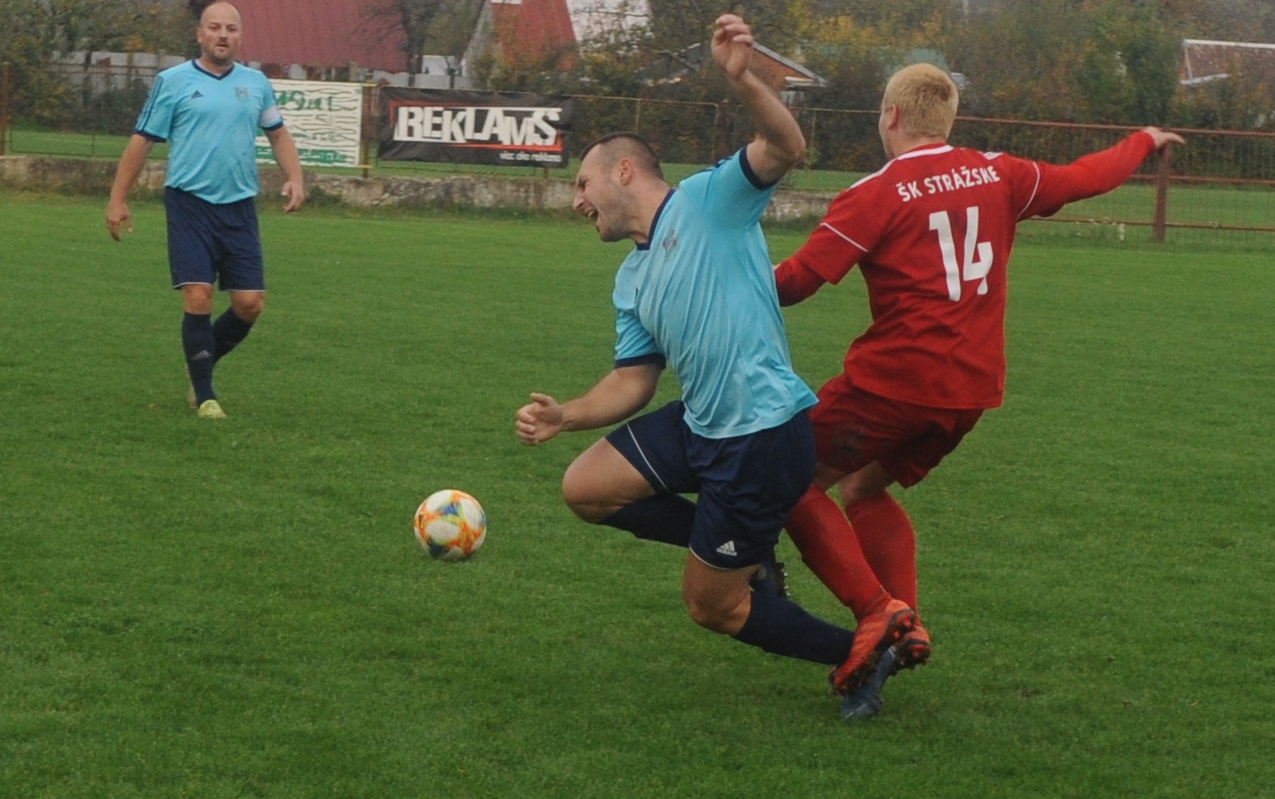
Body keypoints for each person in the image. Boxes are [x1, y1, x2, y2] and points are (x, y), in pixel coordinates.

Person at [774, 63, 1186, 711]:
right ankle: (906, 621)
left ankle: (878, 612)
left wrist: (716, 277)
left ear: (890, 116)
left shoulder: (876, 191)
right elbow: (1086, 177)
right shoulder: (999, 173)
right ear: (947, 120)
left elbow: (797, 282)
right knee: (863, 488)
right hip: (970, 393)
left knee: (788, 478)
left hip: (893, 382)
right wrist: (1142, 140)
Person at [516, 14, 873, 716]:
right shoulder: (630, 278)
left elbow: (787, 145)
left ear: (624, 171)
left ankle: (860, 651)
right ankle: (746, 553)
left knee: (712, 606)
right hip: (702, 424)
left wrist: (744, 79)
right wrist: (566, 415)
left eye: (583, 183)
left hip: (760, 435)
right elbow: (633, 380)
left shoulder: (709, 200)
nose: (576, 200)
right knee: (585, 488)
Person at [105, 1, 304, 419]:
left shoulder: (255, 83)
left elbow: (278, 134)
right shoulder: (173, 81)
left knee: (250, 303)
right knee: (199, 294)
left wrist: (295, 178)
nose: (222, 35)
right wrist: (118, 198)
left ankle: (199, 363)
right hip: (189, 203)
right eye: (214, 27)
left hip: (239, 207)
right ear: (200, 34)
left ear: (240, 36)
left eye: (230, 28)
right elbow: (142, 140)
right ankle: (205, 395)